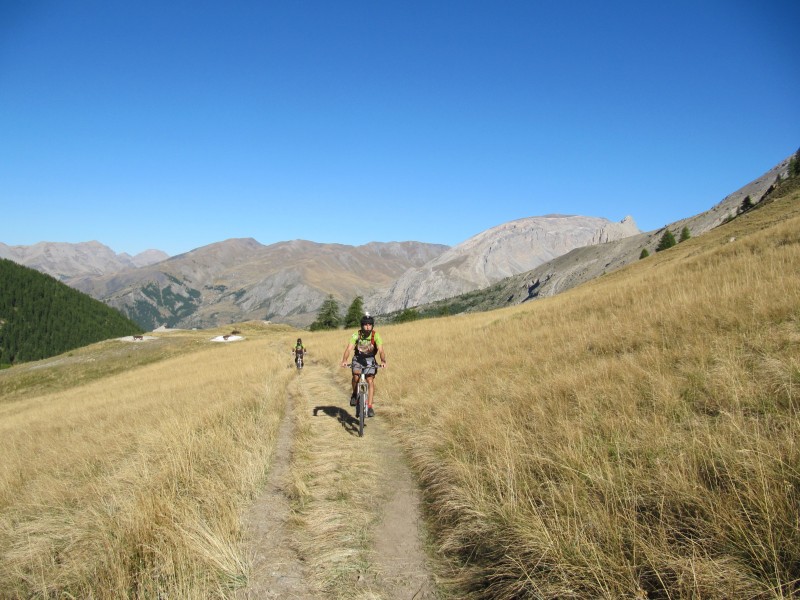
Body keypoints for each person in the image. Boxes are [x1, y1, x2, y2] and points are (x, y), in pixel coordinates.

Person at [340, 314, 386, 417]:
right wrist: (344, 360)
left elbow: (381, 350)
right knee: (356, 377)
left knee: (370, 381)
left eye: (370, 324)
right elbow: (349, 349)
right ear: (362, 325)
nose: (367, 326)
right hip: (358, 359)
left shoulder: (376, 336)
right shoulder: (356, 335)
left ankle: (369, 407)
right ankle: (355, 394)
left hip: (370, 360)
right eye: (365, 324)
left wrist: (383, 361)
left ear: (372, 325)